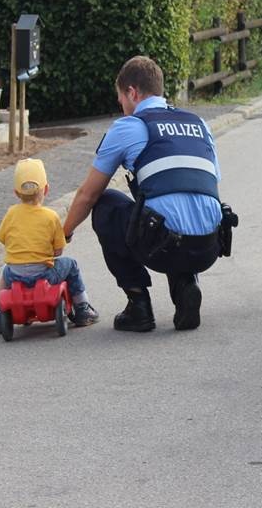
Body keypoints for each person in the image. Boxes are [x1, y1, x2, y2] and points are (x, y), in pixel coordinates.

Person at [63, 56, 226, 332]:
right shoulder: (199, 124)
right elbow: (206, 183)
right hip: (209, 246)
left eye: (121, 99)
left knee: (106, 204)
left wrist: (63, 233)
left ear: (132, 92)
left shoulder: (130, 127)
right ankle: (186, 285)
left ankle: (138, 305)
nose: (121, 106)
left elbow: (87, 196)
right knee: (174, 201)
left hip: (163, 247)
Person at [0, 158, 99, 333]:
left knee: (4, 273)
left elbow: (2, 238)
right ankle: (82, 307)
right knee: (71, 265)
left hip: (15, 274)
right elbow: (58, 250)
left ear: (16, 193)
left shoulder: (11, 214)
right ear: (46, 189)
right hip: (44, 273)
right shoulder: (50, 216)